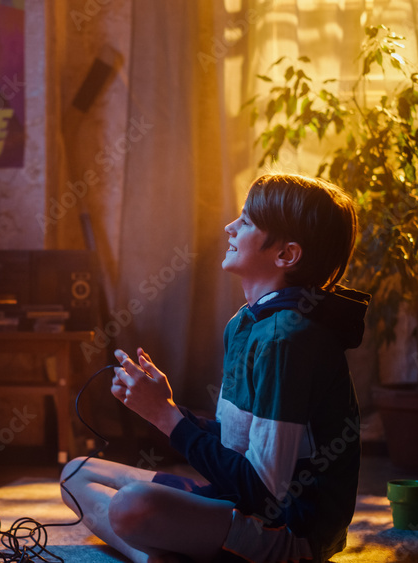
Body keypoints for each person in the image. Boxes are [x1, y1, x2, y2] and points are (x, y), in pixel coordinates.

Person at [60, 173, 370, 563]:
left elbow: (265, 491)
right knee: (76, 474)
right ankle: (157, 557)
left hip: (292, 531)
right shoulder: (246, 323)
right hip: (237, 499)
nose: (230, 227)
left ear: (286, 255)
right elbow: (234, 445)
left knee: (132, 505)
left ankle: (164, 552)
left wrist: (166, 417)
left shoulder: (287, 339)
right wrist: (165, 406)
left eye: (247, 221)